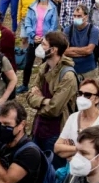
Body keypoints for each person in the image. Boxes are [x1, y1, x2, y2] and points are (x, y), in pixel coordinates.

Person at [26, 32, 80, 161]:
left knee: (54, 168)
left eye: (44, 44)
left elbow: (54, 109)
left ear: (53, 50)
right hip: (39, 128)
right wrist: (45, 101)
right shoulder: (44, 67)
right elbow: (29, 94)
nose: (40, 47)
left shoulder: (68, 76)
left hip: (56, 133)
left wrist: (38, 102)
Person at [54, 78, 99, 161]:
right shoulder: (73, 117)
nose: (82, 97)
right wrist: (80, 149)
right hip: (72, 167)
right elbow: (57, 148)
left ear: (97, 99)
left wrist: (69, 150)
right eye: (80, 93)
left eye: (87, 95)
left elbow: (98, 154)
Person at [18, 0, 59, 92]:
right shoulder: (32, 7)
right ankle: (24, 84)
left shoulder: (53, 8)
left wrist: (45, 38)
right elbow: (27, 22)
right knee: (28, 63)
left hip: (46, 41)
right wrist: (32, 35)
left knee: (46, 64)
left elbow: (53, 25)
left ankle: (44, 86)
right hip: (33, 40)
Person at [65, 5, 99, 80]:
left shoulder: (93, 30)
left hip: (89, 69)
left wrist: (72, 49)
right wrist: (84, 52)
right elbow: (65, 51)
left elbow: (89, 50)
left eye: (79, 16)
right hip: (72, 68)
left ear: (86, 17)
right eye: (74, 16)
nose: (76, 18)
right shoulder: (68, 30)